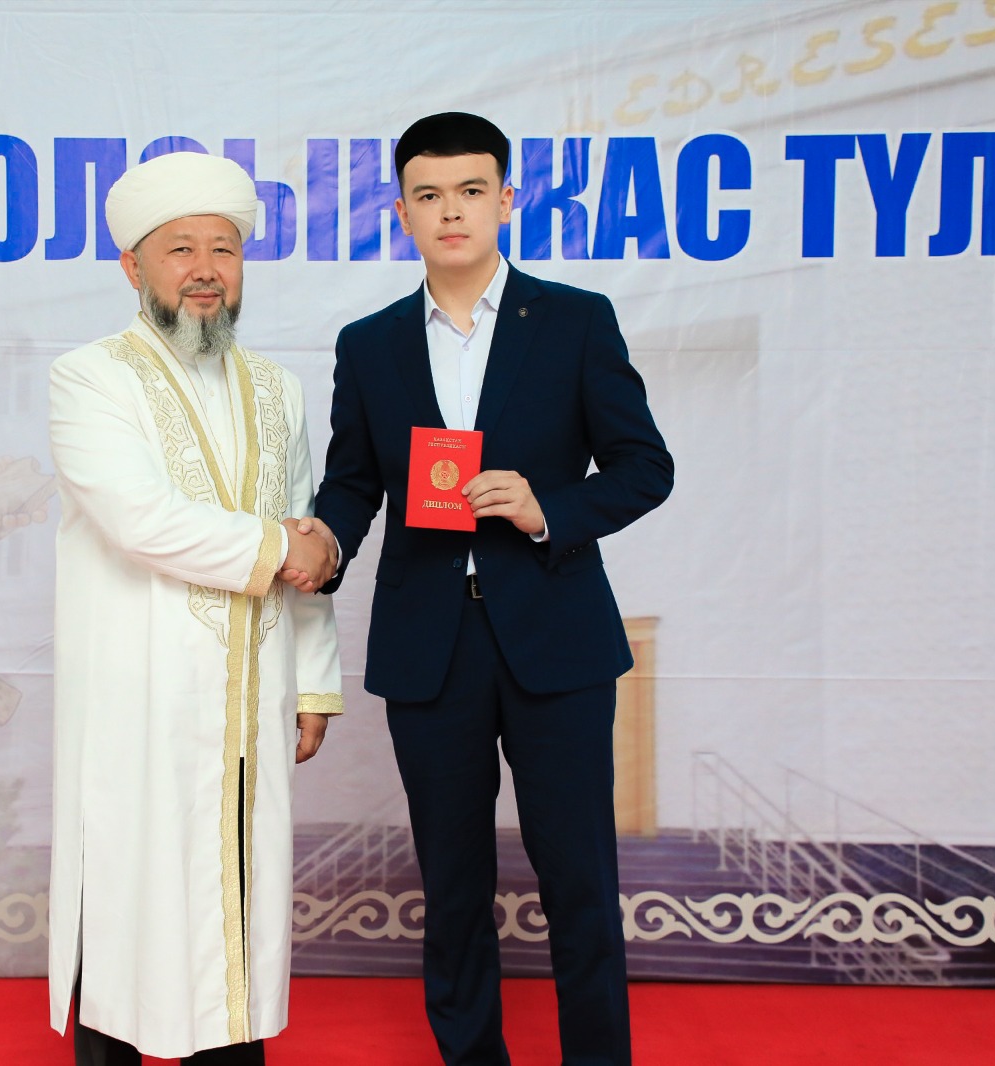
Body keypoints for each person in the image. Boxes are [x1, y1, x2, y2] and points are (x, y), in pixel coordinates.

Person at [290, 113, 673, 1065]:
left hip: (556, 637)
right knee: (452, 886)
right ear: (401, 213)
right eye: (428, 195)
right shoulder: (370, 343)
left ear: (507, 200)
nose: (450, 211)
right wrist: (324, 538)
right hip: (431, 647)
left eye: (470, 191)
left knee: (579, 880)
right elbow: (354, 482)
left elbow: (645, 467)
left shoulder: (576, 320)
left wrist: (548, 510)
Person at [45, 150, 343, 1066]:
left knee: (239, 897)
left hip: (252, 696)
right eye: (180, 249)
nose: (206, 270)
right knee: (128, 889)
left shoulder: (279, 389)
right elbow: (140, 520)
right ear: (133, 266)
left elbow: (303, 528)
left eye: (224, 249)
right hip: (136, 694)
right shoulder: (90, 377)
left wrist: (313, 682)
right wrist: (285, 547)